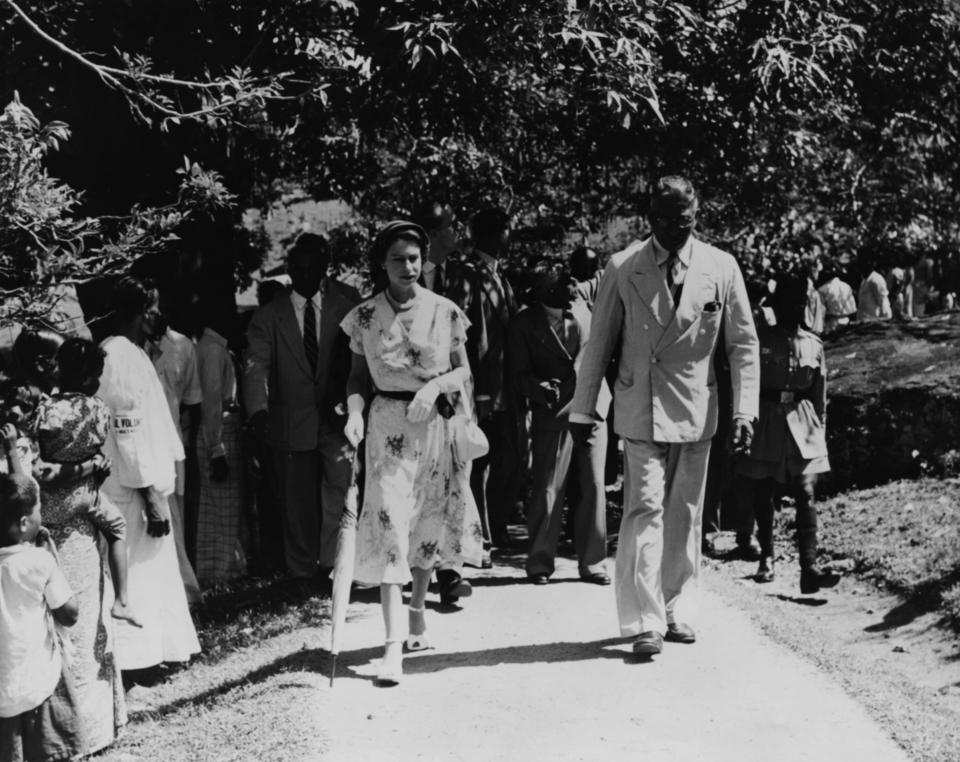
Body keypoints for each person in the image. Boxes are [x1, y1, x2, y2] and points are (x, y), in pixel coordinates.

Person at [570, 176, 759, 656]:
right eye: (666, 218)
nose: (676, 227)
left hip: (698, 406)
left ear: (697, 214)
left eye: (686, 218)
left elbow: (743, 346)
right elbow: (599, 345)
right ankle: (644, 621)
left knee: (686, 512)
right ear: (649, 217)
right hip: (641, 405)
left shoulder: (721, 266)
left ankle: (679, 609)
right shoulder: (623, 267)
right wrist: (582, 406)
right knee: (644, 508)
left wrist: (745, 411)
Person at [340, 220, 483, 684]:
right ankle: (392, 647)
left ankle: (418, 607)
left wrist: (438, 384)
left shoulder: (446, 312)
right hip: (386, 431)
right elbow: (357, 378)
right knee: (389, 526)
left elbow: (463, 373)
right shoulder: (363, 316)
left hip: (435, 428)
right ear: (382, 263)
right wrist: (355, 411)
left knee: (426, 523)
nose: (408, 266)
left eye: (415, 258)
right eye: (398, 258)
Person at [30, 338, 143, 757]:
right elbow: (98, 450)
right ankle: (125, 598)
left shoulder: (46, 411)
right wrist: (93, 465)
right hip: (86, 499)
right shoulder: (96, 408)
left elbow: (40, 465)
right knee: (116, 528)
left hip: (52, 506)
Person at [97, 276, 200, 672]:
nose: (159, 314)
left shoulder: (133, 352)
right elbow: (127, 430)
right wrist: (150, 496)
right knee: (135, 572)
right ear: (142, 312)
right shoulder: (119, 356)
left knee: (155, 571)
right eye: (154, 308)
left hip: (145, 485)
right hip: (130, 490)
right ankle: (134, 660)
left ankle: (158, 652)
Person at [244, 233, 361, 579]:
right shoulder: (269, 316)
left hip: (337, 419)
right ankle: (300, 571)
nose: (307, 276)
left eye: (315, 268)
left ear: (326, 268)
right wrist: (259, 411)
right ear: (290, 269)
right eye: (300, 268)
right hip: (290, 420)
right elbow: (255, 366)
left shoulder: (348, 302)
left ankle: (333, 564)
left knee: (339, 488)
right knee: (296, 501)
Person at [733, 276, 840, 593]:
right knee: (763, 491)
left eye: (797, 303)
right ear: (775, 306)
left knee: (806, 491)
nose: (791, 309)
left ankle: (809, 568)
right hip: (765, 419)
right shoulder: (758, 341)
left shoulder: (814, 344)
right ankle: (767, 556)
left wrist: (819, 430)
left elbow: (819, 394)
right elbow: (746, 384)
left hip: (801, 423)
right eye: (785, 303)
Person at [507, 266, 611, 585]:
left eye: (570, 278)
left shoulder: (584, 307)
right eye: (560, 281)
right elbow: (517, 374)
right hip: (553, 414)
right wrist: (537, 389)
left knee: (594, 485)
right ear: (541, 290)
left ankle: (593, 562)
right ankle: (540, 562)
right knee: (549, 488)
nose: (571, 284)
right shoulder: (523, 324)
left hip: (594, 408)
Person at [412, 201, 473, 605]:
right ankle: (416, 567)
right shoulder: (396, 278)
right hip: (413, 402)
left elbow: (470, 345)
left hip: (454, 394)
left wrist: (470, 399)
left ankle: (450, 571)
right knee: (419, 488)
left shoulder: (462, 277)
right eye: (452, 226)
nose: (459, 233)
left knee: (456, 483)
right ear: (435, 233)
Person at [0, 471, 80, 762]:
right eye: (38, 511)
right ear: (24, 524)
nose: (40, 517)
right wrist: (54, 563)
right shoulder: (39, 561)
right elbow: (70, 613)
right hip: (38, 682)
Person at [456, 208, 520, 556]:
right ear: (497, 234)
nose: (511, 238)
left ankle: (496, 526)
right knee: (481, 461)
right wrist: (475, 389)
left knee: (509, 460)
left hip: (505, 386)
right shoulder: (468, 273)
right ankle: (480, 535)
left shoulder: (500, 275)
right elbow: (462, 334)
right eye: (508, 231)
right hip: (482, 389)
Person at [150, 319, 203, 604]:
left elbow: (191, 402)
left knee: (176, 516)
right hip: (142, 446)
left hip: (172, 445)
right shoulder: (130, 349)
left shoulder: (182, 345)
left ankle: (184, 590)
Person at [195, 315, 247, 584]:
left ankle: (228, 567)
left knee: (222, 506)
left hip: (222, 426)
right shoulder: (213, 351)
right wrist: (217, 448)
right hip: (219, 428)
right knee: (221, 507)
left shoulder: (213, 346)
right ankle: (219, 572)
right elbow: (212, 400)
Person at [817, 266, 857, 333]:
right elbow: (853, 309)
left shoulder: (822, 290)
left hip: (832, 324)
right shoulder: (847, 286)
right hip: (847, 321)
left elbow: (821, 312)